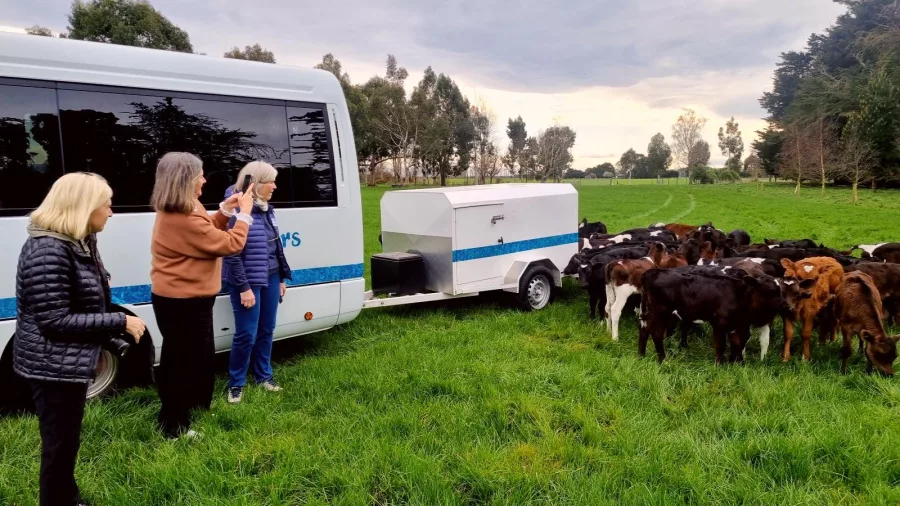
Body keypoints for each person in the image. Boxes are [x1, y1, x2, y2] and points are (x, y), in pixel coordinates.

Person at [13, 172, 146, 506]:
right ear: (84, 206)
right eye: (107, 204)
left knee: (67, 441)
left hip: (65, 362)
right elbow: (54, 320)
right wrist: (120, 321)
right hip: (51, 367)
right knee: (58, 445)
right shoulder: (48, 250)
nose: (112, 212)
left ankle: (67, 497)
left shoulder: (79, 240)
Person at [149, 152, 254, 439]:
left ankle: (190, 407)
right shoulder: (181, 217)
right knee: (181, 362)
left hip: (186, 298)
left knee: (194, 357)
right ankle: (173, 425)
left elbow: (206, 228)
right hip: (182, 301)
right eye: (200, 176)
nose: (205, 180)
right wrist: (244, 213)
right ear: (185, 181)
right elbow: (231, 243)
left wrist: (225, 211)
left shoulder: (184, 207)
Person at [222, 161, 292, 404]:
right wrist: (243, 288)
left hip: (271, 276)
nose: (275, 186)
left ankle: (263, 377)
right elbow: (230, 253)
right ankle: (236, 383)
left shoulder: (267, 209)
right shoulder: (237, 209)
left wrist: (281, 277)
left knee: (266, 330)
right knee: (246, 334)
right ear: (255, 184)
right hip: (247, 281)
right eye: (270, 181)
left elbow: (276, 246)